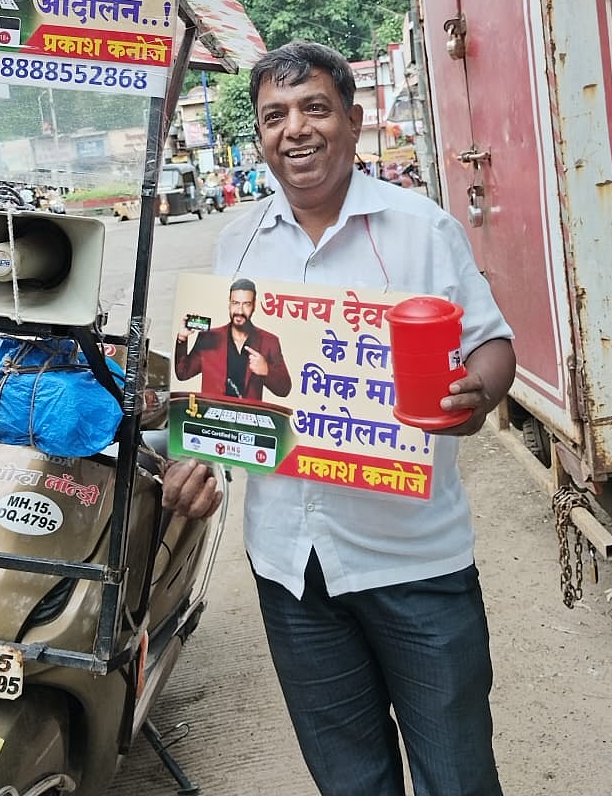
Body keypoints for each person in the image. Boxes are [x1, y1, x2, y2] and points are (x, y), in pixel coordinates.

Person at [163, 41, 516, 796]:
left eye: (315, 108)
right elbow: (222, 388)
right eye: (274, 116)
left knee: (457, 775)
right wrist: (199, 456)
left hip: (415, 562)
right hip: (293, 570)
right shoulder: (239, 241)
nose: (296, 130)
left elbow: (490, 344)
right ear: (259, 137)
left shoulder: (423, 230)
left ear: (353, 122)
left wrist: (475, 397)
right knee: (350, 781)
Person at [174, 277, 292, 402]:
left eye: (246, 304)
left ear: (254, 305)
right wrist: (182, 337)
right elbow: (183, 373)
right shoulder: (208, 338)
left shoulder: (269, 341)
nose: (240, 311)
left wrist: (267, 370)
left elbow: (284, 389)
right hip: (212, 414)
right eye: (235, 303)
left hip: (247, 417)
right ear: (229, 303)